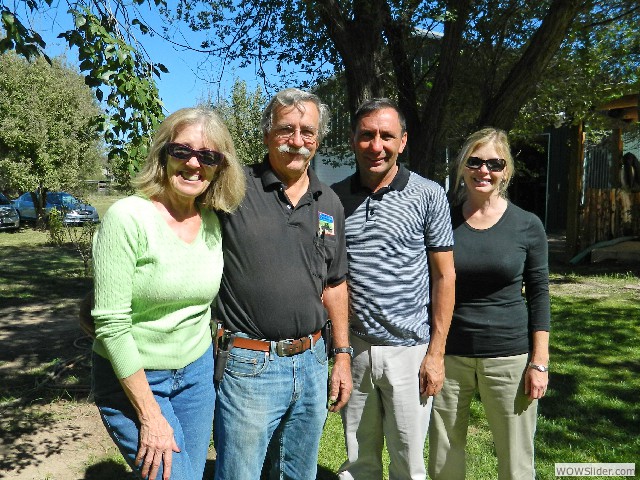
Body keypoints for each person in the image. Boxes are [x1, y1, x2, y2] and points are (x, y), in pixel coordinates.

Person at [91, 107, 245, 480]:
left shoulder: (211, 222)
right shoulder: (128, 217)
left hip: (195, 373)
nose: (194, 164)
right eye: (183, 151)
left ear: (219, 168)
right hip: (135, 379)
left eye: (208, 156)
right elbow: (111, 324)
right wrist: (149, 414)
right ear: (163, 153)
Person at [213, 87, 352, 480]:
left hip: (311, 362)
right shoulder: (233, 188)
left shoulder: (329, 202)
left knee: (298, 473)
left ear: (318, 139)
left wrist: (341, 355)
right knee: (239, 473)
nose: (297, 141)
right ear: (266, 134)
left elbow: (335, 284)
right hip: (249, 364)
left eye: (307, 131)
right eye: (286, 129)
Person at [331, 98, 456, 480]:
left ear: (403, 141)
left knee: (408, 464)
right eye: (367, 135)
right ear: (353, 141)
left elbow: (444, 276)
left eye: (387, 136)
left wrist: (436, 353)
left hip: (410, 353)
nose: (376, 145)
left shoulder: (428, 195)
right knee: (358, 462)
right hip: (355, 349)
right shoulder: (332, 199)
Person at [428, 127, 550, 480]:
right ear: (463, 166)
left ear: (507, 171)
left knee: (516, 461)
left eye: (495, 163)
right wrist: (431, 353)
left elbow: (540, 294)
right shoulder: (441, 220)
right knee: (444, 458)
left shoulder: (528, 225)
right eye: (475, 161)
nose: (484, 170)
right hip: (450, 355)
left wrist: (539, 362)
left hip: (509, 356)